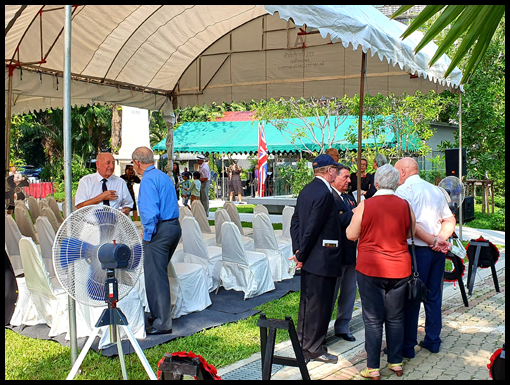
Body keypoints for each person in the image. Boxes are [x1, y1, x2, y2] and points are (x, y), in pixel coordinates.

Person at [346, 164, 416, 379]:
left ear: (376, 183)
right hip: (399, 268)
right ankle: (396, 362)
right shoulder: (405, 205)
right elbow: (410, 230)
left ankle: (373, 367)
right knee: (396, 317)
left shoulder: (366, 205)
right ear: (396, 183)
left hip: (370, 268)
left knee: (373, 319)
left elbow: (351, 234)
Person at [394, 157, 455, 358]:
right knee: (434, 296)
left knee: (412, 297)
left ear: (403, 172)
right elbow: (449, 219)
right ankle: (433, 340)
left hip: (416, 251)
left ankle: (408, 346)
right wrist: (440, 239)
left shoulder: (404, 191)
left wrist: (433, 240)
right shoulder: (436, 190)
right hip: (436, 252)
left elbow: (409, 224)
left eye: (396, 172)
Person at [289, 154, 343, 364]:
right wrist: (301, 253)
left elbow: (296, 221)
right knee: (319, 305)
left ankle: (305, 345)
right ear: (329, 170)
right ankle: (313, 348)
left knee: (309, 303)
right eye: (335, 170)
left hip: (312, 256)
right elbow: (313, 227)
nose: (336, 173)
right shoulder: (324, 193)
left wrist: (298, 248)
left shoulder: (307, 189)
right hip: (322, 258)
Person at [131, 146, 181, 335]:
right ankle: (156, 314)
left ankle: (162, 322)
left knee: (155, 277)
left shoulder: (148, 180)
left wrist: (148, 235)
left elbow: (150, 212)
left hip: (159, 230)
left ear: (137, 163)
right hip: (173, 227)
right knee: (157, 273)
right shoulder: (163, 176)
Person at [330, 164, 358, 342]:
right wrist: (354, 214)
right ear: (335, 177)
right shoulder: (328, 197)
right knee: (330, 294)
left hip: (351, 252)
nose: (349, 180)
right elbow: (333, 221)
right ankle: (321, 330)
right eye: (345, 177)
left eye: (349, 177)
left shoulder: (349, 199)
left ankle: (343, 326)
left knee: (349, 292)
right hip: (334, 254)